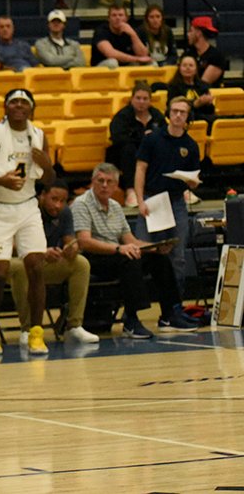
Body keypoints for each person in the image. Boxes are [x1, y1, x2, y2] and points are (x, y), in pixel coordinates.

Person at [0, 89, 56, 355]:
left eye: (23, 102)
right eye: (13, 101)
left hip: (28, 207)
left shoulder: (39, 135)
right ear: (5, 107)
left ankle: (35, 332)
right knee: (1, 273)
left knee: (36, 267)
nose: (18, 105)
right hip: (0, 210)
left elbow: (48, 181)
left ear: (31, 109)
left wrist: (47, 166)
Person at [72, 163, 194, 338]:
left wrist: (155, 248)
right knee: (130, 259)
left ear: (116, 186)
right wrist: (119, 248)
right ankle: (131, 319)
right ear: (92, 182)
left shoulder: (114, 206)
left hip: (117, 253)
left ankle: (169, 314)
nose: (104, 185)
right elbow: (84, 241)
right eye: (100, 181)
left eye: (109, 182)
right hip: (93, 257)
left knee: (159, 259)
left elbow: (131, 241)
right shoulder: (81, 204)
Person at [9, 181, 100, 345]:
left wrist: (71, 248)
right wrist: (40, 252)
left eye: (62, 201)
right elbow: (10, 245)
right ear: (42, 195)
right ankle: (28, 328)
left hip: (42, 262)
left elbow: (70, 240)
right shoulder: (26, 209)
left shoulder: (64, 213)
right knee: (23, 268)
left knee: (81, 263)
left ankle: (74, 326)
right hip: (13, 261)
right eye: (54, 199)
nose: (58, 205)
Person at [134, 97, 203, 300]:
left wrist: (191, 182)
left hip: (176, 202)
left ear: (188, 117)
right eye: (175, 111)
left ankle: (176, 304)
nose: (178, 115)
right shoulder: (153, 139)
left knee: (177, 256)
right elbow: (140, 168)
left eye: (182, 112)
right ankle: (139, 306)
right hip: (152, 199)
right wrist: (140, 200)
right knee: (142, 249)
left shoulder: (190, 145)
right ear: (168, 113)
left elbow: (194, 178)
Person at [106, 81, 165, 207]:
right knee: (129, 149)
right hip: (125, 154)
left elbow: (165, 134)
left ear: (150, 100)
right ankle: (130, 191)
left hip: (150, 152)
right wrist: (142, 137)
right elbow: (118, 138)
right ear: (132, 99)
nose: (141, 102)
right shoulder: (122, 116)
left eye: (145, 99)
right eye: (138, 98)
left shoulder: (156, 115)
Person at [167, 54, 215, 130]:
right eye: (184, 65)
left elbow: (210, 111)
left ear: (196, 69)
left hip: (204, 119)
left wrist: (208, 103)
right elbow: (171, 108)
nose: (187, 68)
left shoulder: (203, 86)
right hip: (184, 119)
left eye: (191, 65)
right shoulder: (174, 86)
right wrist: (195, 105)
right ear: (179, 68)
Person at [183, 16, 226, 87]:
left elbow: (203, 84)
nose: (188, 34)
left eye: (191, 31)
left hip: (209, 95)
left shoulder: (216, 56)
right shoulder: (188, 54)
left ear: (198, 33)